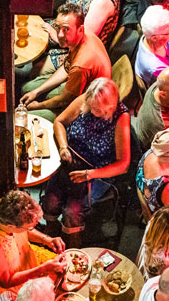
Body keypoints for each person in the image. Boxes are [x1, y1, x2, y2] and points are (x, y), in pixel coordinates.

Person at [43, 78, 130, 245]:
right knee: (51, 199)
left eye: (97, 109)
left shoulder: (121, 117)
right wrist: (63, 147)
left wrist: (90, 174)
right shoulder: (87, 100)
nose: (91, 110)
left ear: (109, 107)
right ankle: (51, 233)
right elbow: (59, 122)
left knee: (72, 211)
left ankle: (73, 244)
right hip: (72, 161)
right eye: (90, 106)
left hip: (97, 170)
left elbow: (123, 164)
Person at [20, 3, 111, 119]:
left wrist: (38, 106)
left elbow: (64, 101)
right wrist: (36, 92)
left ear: (80, 29)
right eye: (57, 27)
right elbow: (66, 68)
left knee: (29, 115)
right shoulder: (81, 35)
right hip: (79, 85)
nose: (60, 34)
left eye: (66, 29)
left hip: (88, 104)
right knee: (27, 89)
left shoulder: (82, 63)